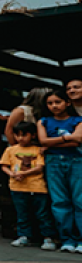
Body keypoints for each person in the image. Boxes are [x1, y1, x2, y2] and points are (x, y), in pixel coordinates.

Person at [39, 88, 82, 252]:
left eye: (58, 102)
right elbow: (43, 140)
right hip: (53, 162)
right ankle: (67, 239)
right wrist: (67, 138)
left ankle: (80, 239)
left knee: (79, 200)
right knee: (59, 201)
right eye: (50, 103)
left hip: (76, 160)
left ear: (67, 103)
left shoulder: (78, 120)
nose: (54, 106)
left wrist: (53, 141)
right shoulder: (43, 121)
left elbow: (77, 140)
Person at [1, 120, 55, 249]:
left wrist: (24, 173)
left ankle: (48, 237)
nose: (20, 138)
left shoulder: (38, 150)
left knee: (42, 213)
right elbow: (4, 165)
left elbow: (39, 167)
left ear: (33, 135)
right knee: (22, 213)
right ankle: (23, 236)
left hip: (37, 187)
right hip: (17, 186)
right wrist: (12, 174)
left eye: (24, 135)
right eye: (17, 135)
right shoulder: (10, 149)